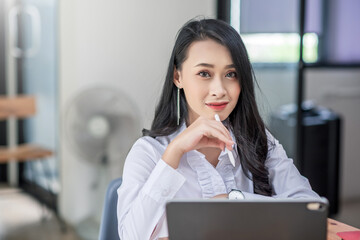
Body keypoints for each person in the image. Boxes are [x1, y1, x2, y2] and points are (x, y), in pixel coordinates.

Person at [116, 18, 320, 240]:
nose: (220, 90)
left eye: (231, 74)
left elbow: (311, 209)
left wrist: (232, 200)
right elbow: (131, 237)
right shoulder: (148, 152)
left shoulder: (258, 141)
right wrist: (174, 153)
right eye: (204, 73)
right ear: (178, 77)